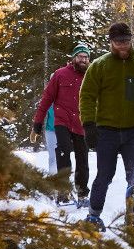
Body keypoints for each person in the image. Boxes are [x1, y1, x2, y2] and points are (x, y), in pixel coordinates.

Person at [79, 21, 134, 227]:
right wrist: (89, 125)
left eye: (126, 41)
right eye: (118, 42)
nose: (122, 46)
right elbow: (87, 96)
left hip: (133, 131)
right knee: (104, 175)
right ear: (110, 42)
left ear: (131, 40)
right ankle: (93, 215)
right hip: (106, 131)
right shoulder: (99, 66)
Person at [33, 43, 92, 203]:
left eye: (86, 57)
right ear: (73, 58)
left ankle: (82, 192)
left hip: (82, 122)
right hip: (62, 120)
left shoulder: (92, 75)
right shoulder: (60, 74)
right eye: (80, 56)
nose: (83, 60)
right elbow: (46, 99)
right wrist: (38, 122)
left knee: (82, 157)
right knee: (63, 150)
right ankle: (63, 191)